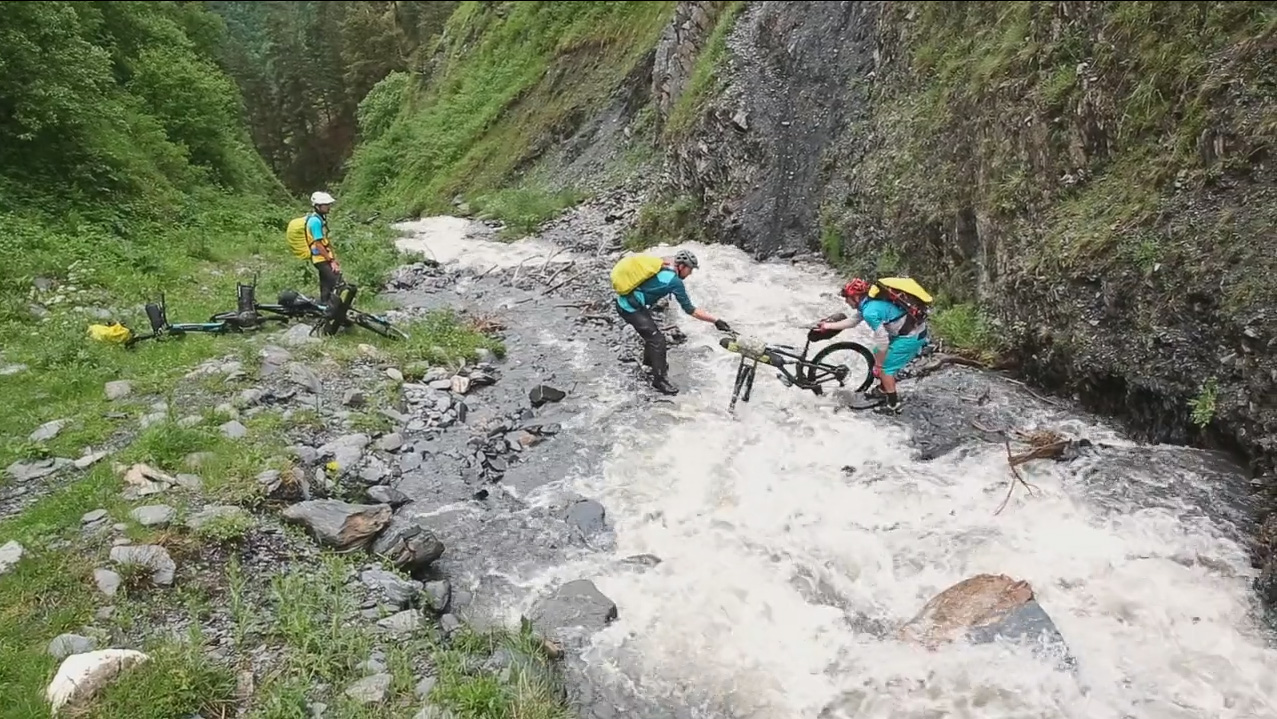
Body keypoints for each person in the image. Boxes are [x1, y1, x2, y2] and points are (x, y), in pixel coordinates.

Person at [615, 249, 732, 396]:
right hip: (630, 308)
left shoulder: (664, 267)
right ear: (682, 266)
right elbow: (691, 310)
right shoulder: (674, 282)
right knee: (658, 340)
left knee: (652, 335)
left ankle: (649, 365)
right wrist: (716, 320)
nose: (690, 274)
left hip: (631, 302)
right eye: (690, 269)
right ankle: (659, 380)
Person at [815, 277, 931, 414]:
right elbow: (853, 321)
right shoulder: (869, 304)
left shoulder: (870, 311)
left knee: (885, 368)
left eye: (848, 298)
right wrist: (827, 326)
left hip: (911, 337)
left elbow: (883, 340)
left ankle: (893, 405)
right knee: (877, 352)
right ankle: (883, 389)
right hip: (908, 332)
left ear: (856, 297)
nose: (846, 301)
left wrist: (879, 365)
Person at [305, 191, 341, 304]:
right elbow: (319, 244)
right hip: (321, 259)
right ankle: (336, 308)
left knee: (326, 284)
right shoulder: (315, 221)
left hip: (322, 258)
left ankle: (324, 305)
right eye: (326, 205)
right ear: (318, 206)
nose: (329, 207)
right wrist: (330, 261)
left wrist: (333, 258)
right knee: (338, 282)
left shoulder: (319, 219)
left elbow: (325, 241)